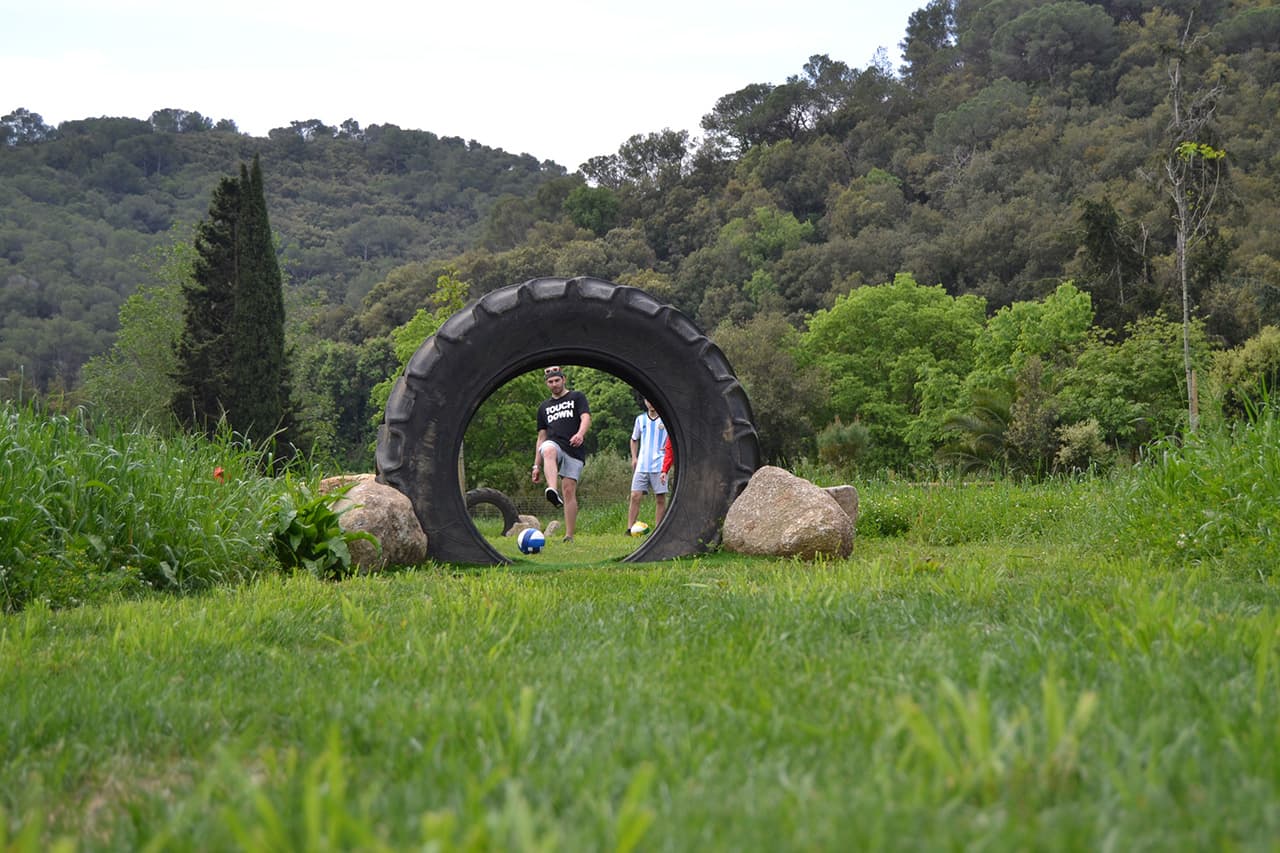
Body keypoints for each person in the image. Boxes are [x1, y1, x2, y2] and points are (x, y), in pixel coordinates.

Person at [532, 365, 591, 542]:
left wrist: (580, 434)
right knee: (548, 449)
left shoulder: (577, 397)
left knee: (569, 490)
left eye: (557, 380)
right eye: (550, 382)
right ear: (546, 384)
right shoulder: (543, 408)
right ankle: (551, 489)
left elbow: (586, 417)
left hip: (574, 449)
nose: (554, 384)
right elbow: (541, 437)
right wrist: (536, 465)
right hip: (554, 445)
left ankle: (569, 535)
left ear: (563, 379)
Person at [628, 398, 668, 532]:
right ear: (645, 401)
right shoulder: (640, 419)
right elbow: (634, 439)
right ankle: (630, 528)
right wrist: (634, 457)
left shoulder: (665, 419)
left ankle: (658, 530)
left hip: (659, 464)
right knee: (635, 495)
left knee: (660, 497)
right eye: (648, 400)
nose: (651, 403)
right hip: (642, 464)